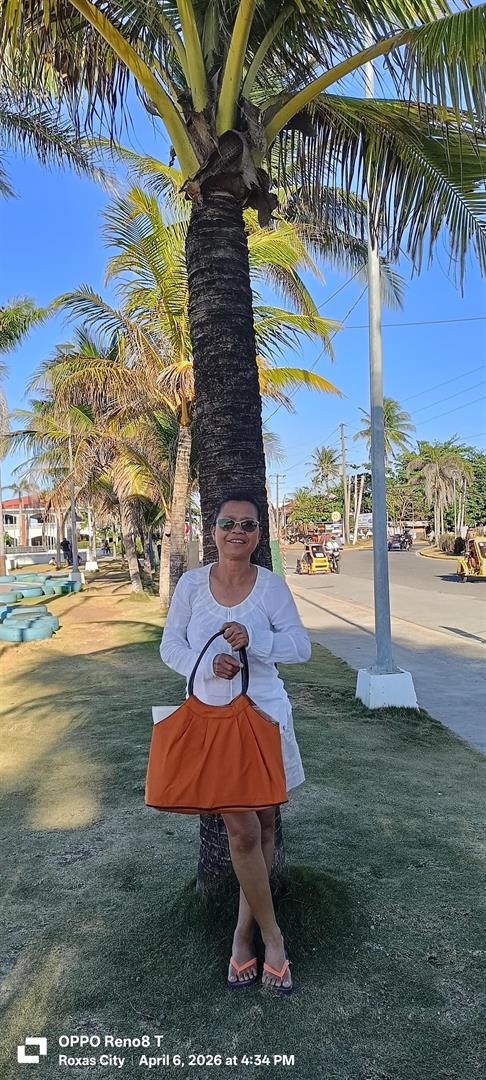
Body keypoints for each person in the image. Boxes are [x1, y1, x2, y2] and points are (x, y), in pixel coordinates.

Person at [159, 492, 311, 993]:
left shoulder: (271, 587)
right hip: (213, 723)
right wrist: (207, 664)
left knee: (264, 827)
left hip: (263, 717)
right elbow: (170, 646)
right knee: (242, 831)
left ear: (259, 534)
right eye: (228, 523)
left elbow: (301, 647)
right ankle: (272, 939)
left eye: (248, 524)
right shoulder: (190, 585)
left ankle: (243, 937)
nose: (237, 531)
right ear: (213, 531)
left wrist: (255, 640)